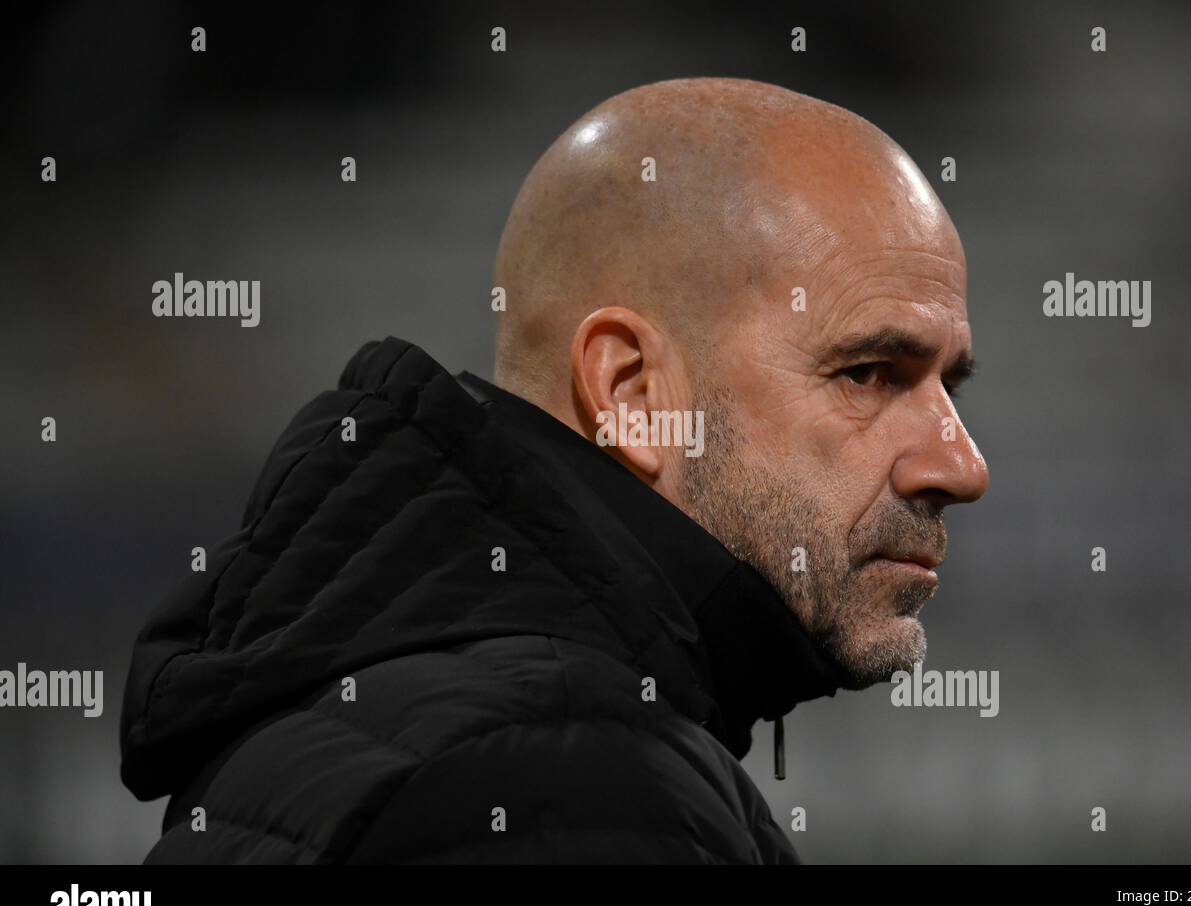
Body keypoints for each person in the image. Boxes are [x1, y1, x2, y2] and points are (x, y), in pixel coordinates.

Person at [119, 77, 989, 864]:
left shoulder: (383, 702)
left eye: (949, 386)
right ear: (631, 393)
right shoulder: (571, 781)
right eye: (869, 373)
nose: (961, 464)